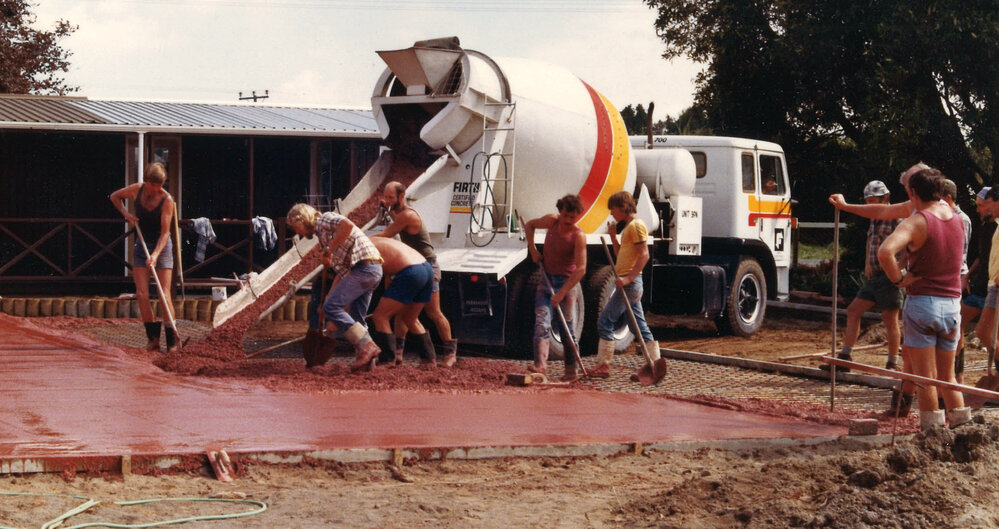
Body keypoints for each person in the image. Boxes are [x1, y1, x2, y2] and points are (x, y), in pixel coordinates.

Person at [877, 168, 970, 430]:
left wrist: (899, 279)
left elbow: (885, 252)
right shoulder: (956, 219)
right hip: (952, 306)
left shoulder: (917, 221)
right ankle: (963, 430)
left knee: (924, 378)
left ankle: (932, 434)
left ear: (912, 193)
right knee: (948, 377)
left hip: (923, 305)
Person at [286, 203, 383, 371]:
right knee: (356, 318)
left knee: (333, 307)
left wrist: (329, 249)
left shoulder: (324, 219)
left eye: (296, 227)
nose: (298, 232)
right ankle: (368, 364)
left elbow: (347, 225)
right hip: (369, 270)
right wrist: (326, 301)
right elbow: (342, 274)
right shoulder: (323, 236)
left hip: (365, 267)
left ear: (303, 219)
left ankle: (368, 346)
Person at [372, 182, 458, 367]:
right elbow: (394, 216)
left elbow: (387, 233)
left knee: (433, 312)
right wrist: (386, 208)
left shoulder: (408, 216)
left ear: (401, 197)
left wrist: (361, 239)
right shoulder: (399, 213)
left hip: (427, 265)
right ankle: (398, 354)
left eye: (390, 198)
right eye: (385, 197)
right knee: (402, 312)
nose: (387, 201)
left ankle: (450, 354)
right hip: (409, 265)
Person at [822, 181, 903, 372]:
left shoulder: (896, 218)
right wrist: (868, 262)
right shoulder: (874, 218)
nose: (869, 205)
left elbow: (908, 246)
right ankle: (845, 357)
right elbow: (871, 240)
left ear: (885, 199)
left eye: (873, 201)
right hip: (875, 276)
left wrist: (900, 267)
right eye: (867, 201)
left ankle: (892, 363)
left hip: (889, 276)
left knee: (890, 319)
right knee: (853, 310)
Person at [109, 162, 179, 353]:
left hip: (161, 248)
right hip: (141, 245)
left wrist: (156, 255)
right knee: (142, 294)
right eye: (153, 186)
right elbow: (114, 196)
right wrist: (126, 214)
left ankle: (172, 342)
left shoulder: (167, 201)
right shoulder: (136, 190)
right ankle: (153, 339)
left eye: (159, 186)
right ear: (146, 182)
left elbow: (166, 233)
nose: (156, 190)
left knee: (164, 295)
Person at [591, 191, 661, 378]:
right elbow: (621, 254)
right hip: (630, 282)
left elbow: (644, 255)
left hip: (631, 283)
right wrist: (614, 238)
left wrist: (628, 279)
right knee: (637, 324)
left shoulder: (637, 226)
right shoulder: (629, 227)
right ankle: (654, 366)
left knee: (605, 320)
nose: (612, 213)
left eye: (613, 209)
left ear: (622, 207)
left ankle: (604, 366)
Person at [523, 195, 587, 381]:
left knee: (566, 328)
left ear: (578, 216)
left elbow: (581, 269)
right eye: (565, 215)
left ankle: (571, 370)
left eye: (572, 217)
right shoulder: (551, 222)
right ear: (560, 212)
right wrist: (533, 250)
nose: (568, 220)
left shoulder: (578, 236)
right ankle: (540, 366)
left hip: (567, 284)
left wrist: (561, 293)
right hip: (546, 280)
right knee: (542, 322)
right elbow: (529, 225)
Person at [368, 237, 438, 366]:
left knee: (380, 316)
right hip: (426, 269)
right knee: (410, 318)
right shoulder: (377, 240)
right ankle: (429, 359)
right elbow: (388, 275)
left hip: (411, 271)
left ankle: (387, 359)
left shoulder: (363, 248)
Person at [975, 187, 999, 378]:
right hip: (993, 284)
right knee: (986, 333)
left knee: (984, 331)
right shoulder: (997, 224)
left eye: (988, 202)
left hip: (997, 285)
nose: (987, 208)